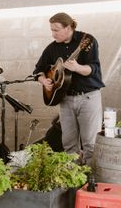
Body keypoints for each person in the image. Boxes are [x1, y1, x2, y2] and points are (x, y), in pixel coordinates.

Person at [33, 12, 105, 165]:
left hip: (88, 97)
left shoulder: (87, 41)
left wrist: (78, 67)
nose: (53, 34)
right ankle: (73, 181)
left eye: (56, 30)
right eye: (51, 30)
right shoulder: (52, 49)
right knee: (69, 144)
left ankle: (89, 182)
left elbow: (94, 69)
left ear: (69, 27)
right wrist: (44, 80)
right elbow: (38, 70)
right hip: (65, 100)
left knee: (90, 144)